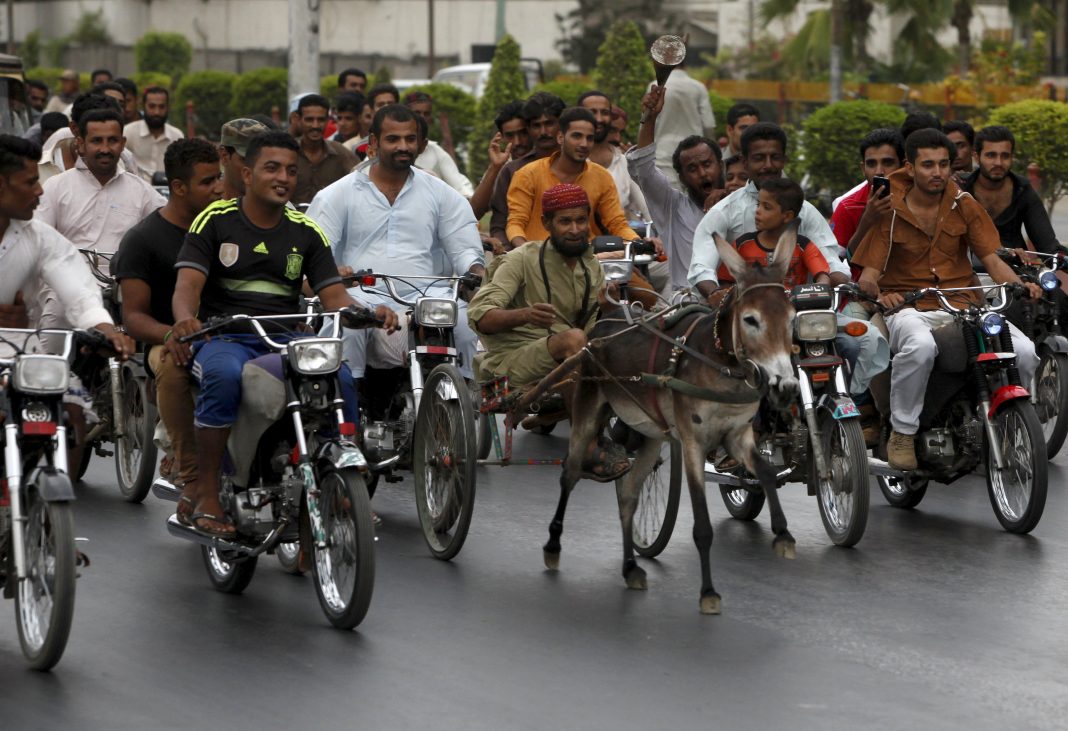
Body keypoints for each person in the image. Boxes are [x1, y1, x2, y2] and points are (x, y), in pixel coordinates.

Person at [171, 131, 396, 537]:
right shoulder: (215, 220)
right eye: (271, 168)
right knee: (223, 378)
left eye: (291, 171)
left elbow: (334, 296)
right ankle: (205, 490)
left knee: (339, 375)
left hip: (284, 339)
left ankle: (338, 481)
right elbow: (187, 288)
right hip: (225, 337)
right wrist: (186, 319)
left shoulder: (306, 231)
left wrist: (369, 313)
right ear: (246, 172)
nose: (283, 178)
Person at [853, 129, 1041, 470]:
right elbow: (869, 273)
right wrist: (879, 294)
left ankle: (1017, 427)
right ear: (910, 167)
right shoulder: (889, 209)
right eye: (928, 165)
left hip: (964, 305)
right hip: (909, 308)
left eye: (943, 164)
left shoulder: (964, 204)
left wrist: (1019, 285)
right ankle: (903, 431)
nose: (938, 172)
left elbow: (992, 258)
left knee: (1025, 352)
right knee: (920, 347)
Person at [689, 122, 888, 400]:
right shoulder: (725, 212)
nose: (768, 165)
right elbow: (702, 265)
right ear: (745, 161)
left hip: (800, 317)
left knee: (862, 340)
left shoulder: (803, 211)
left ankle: (844, 402)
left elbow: (830, 259)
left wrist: (846, 281)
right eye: (759, 158)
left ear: (784, 159)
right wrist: (713, 292)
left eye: (775, 157)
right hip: (750, 322)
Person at [307, 104, 485, 382]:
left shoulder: (440, 193)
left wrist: (475, 271)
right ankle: (351, 405)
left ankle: (464, 405)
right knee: (348, 328)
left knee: (464, 324)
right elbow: (316, 252)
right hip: (363, 295)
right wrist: (335, 274)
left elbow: (463, 246)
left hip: (427, 296)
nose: (403, 146)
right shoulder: (336, 195)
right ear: (374, 142)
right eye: (393, 139)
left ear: (420, 143)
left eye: (410, 139)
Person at [469, 183, 627, 479]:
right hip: (512, 361)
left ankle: (633, 429)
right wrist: (524, 315)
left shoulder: (591, 267)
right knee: (574, 340)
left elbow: (597, 331)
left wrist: (610, 310)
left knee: (630, 335)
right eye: (565, 221)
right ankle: (585, 448)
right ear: (547, 224)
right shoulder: (520, 259)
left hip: (570, 359)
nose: (575, 229)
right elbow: (481, 317)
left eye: (581, 221)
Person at [112, 139, 223, 499]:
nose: (218, 188)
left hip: (227, 339)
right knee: (175, 364)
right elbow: (133, 318)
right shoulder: (142, 240)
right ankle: (190, 473)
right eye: (207, 182)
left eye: (219, 178)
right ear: (178, 187)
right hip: (168, 345)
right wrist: (171, 333)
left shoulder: (227, 228)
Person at [36, 107, 166, 269]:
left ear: (122, 144)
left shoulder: (141, 191)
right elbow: (37, 241)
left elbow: (168, 231)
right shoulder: (56, 187)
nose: (105, 149)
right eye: (96, 141)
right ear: (81, 144)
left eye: (112, 140)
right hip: (64, 285)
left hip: (123, 285)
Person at [628, 83, 722, 290]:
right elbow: (644, 168)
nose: (703, 173)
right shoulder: (672, 207)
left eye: (707, 164)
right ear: (682, 178)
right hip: (688, 307)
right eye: (692, 169)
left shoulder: (743, 205)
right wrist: (650, 118)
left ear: (721, 165)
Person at [507, 107, 638, 248]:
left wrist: (638, 241)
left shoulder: (602, 176)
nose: (584, 144)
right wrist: (524, 250)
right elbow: (515, 223)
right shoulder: (528, 174)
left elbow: (616, 223)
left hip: (588, 258)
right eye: (577, 136)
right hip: (538, 259)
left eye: (590, 138)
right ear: (560, 137)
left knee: (635, 270)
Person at [960, 125, 1062, 256]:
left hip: (1015, 269)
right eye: (991, 155)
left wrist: (1059, 257)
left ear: (1012, 157)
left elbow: (1048, 245)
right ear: (976, 156)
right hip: (967, 270)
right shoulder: (960, 188)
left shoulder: (1023, 190)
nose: (998, 162)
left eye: (1005, 156)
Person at [717, 178, 830, 288]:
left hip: (794, 307)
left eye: (766, 207)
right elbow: (724, 282)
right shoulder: (742, 244)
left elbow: (822, 275)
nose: (757, 210)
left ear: (787, 216)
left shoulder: (803, 245)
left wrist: (820, 290)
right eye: (758, 204)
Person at [489, 92, 565, 243]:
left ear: (562, 125)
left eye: (549, 123)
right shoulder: (512, 170)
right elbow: (500, 225)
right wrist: (512, 254)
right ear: (529, 129)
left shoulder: (582, 165)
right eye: (537, 125)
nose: (543, 132)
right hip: (526, 256)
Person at [829, 128, 905, 259]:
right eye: (871, 164)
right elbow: (836, 262)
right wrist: (867, 220)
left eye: (887, 162)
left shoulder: (919, 198)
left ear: (903, 166)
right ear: (863, 169)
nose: (879, 171)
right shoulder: (848, 206)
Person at [579, 90, 649, 224]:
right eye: (592, 112)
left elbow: (647, 210)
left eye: (604, 113)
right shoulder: (569, 162)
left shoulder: (624, 162)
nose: (599, 119)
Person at [647, 61, 715, 186]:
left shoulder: (655, 86)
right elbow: (708, 124)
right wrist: (712, 151)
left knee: (668, 197)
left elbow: (648, 123)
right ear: (685, 65)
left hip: (663, 152)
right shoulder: (698, 87)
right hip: (695, 153)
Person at [292, 93, 357, 207]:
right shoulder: (288, 152)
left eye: (321, 120)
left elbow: (362, 183)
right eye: (309, 120)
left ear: (328, 120)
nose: (315, 125)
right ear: (299, 119)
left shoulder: (341, 154)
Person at [405, 91, 474, 197]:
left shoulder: (435, 151)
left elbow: (460, 185)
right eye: (417, 113)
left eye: (426, 114)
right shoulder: (390, 149)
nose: (422, 117)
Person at [123, 86, 185, 181]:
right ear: (143, 106)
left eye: (161, 107)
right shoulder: (128, 132)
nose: (157, 112)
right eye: (152, 106)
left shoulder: (177, 136)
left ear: (168, 107)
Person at [218, 117, 270, 199]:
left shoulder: (277, 208)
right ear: (224, 156)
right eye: (247, 160)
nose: (255, 170)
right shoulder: (204, 205)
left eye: (264, 163)